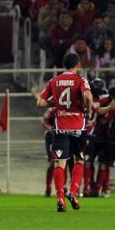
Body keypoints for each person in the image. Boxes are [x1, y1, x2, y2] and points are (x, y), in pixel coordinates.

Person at [37, 53, 94, 212]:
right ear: (77, 65)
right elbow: (88, 97)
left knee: (59, 162)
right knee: (79, 160)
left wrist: (55, 102)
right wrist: (88, 111)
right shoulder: (81, 80)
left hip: (61, 127)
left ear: (64, 65)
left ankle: (60, 197)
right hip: (77, 128)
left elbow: (40, 102)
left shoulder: (53, 81)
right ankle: (74, 192)